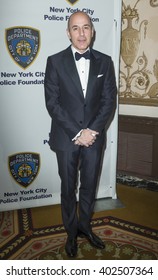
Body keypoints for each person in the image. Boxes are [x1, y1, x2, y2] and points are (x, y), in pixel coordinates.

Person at [44, 11, 117, 257]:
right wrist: (77, 133)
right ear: (68, 33)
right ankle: (71, 232)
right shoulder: (54, 61)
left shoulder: (105, 62)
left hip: (94, 139)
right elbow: (53, 104)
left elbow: (108, 101)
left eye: (86, 27)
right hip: (66, 139)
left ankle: (85, 226)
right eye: (75, 28)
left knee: (89, 186)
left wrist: (92, 131)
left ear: (92, 31)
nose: (81, 33)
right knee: (68, 188)